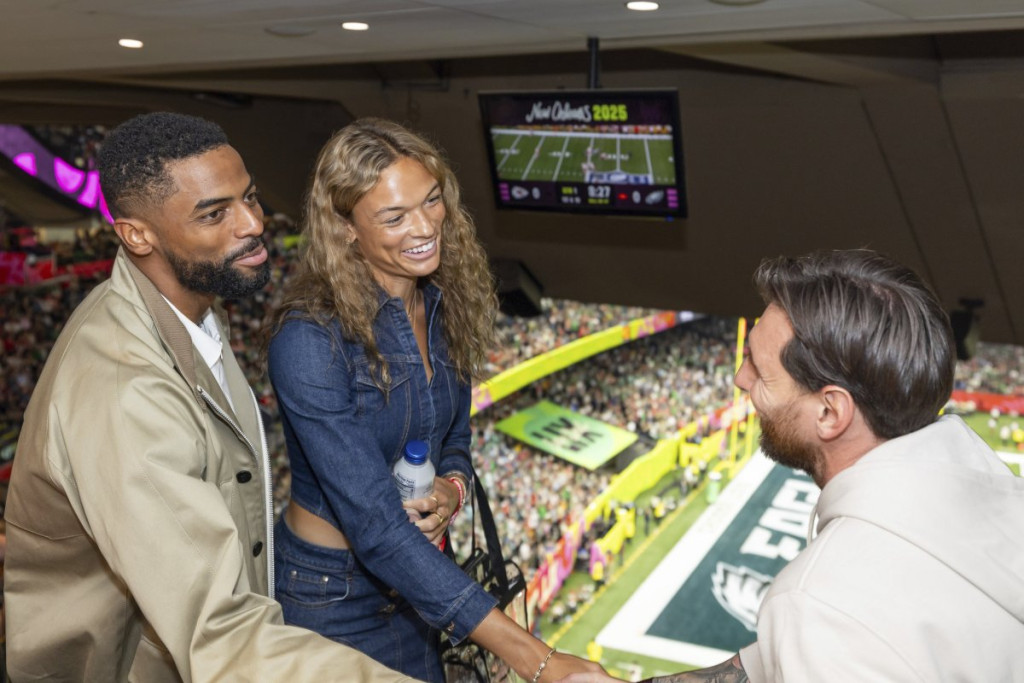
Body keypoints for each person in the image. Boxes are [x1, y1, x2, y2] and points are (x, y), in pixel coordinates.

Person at [3, 112, 415, 682]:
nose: (254, 223)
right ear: (137, 235)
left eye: (250, 197)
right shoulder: (126, 393)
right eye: (214, 213)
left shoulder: (185, 300)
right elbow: (220, 635)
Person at [562, 249, 1024, 683]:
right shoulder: (997, 494)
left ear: (830, 412)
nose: (739, 379)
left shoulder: (820, 601)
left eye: (759, 370)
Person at [264, 118, 601, 683]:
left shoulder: (444, 304)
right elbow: (376, 527)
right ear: (345, 228)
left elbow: (455, 438)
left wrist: (452, 487)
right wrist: (538, 660)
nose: (425, 227)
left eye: (431, 200)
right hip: (331, 596)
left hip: (415, 588)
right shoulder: (310, 340)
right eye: (394, 217)